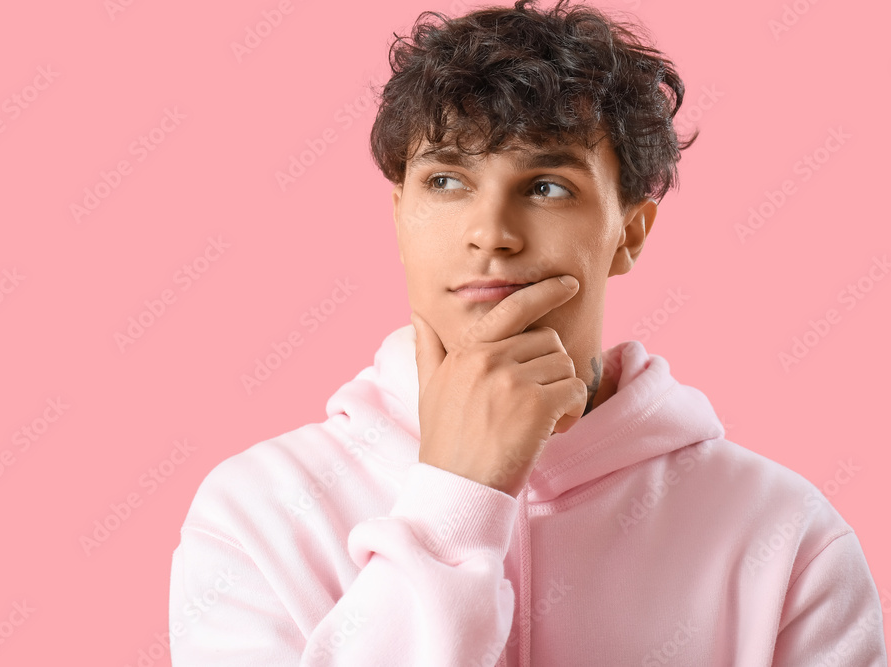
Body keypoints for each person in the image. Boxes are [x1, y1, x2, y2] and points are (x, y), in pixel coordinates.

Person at [168, 1, 888, 664]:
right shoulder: (254, 513)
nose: (491, 234)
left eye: (546, 185)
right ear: (399, 216)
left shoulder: (788, 539)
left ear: (629, 231)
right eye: (447, 181)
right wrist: (454, 497)